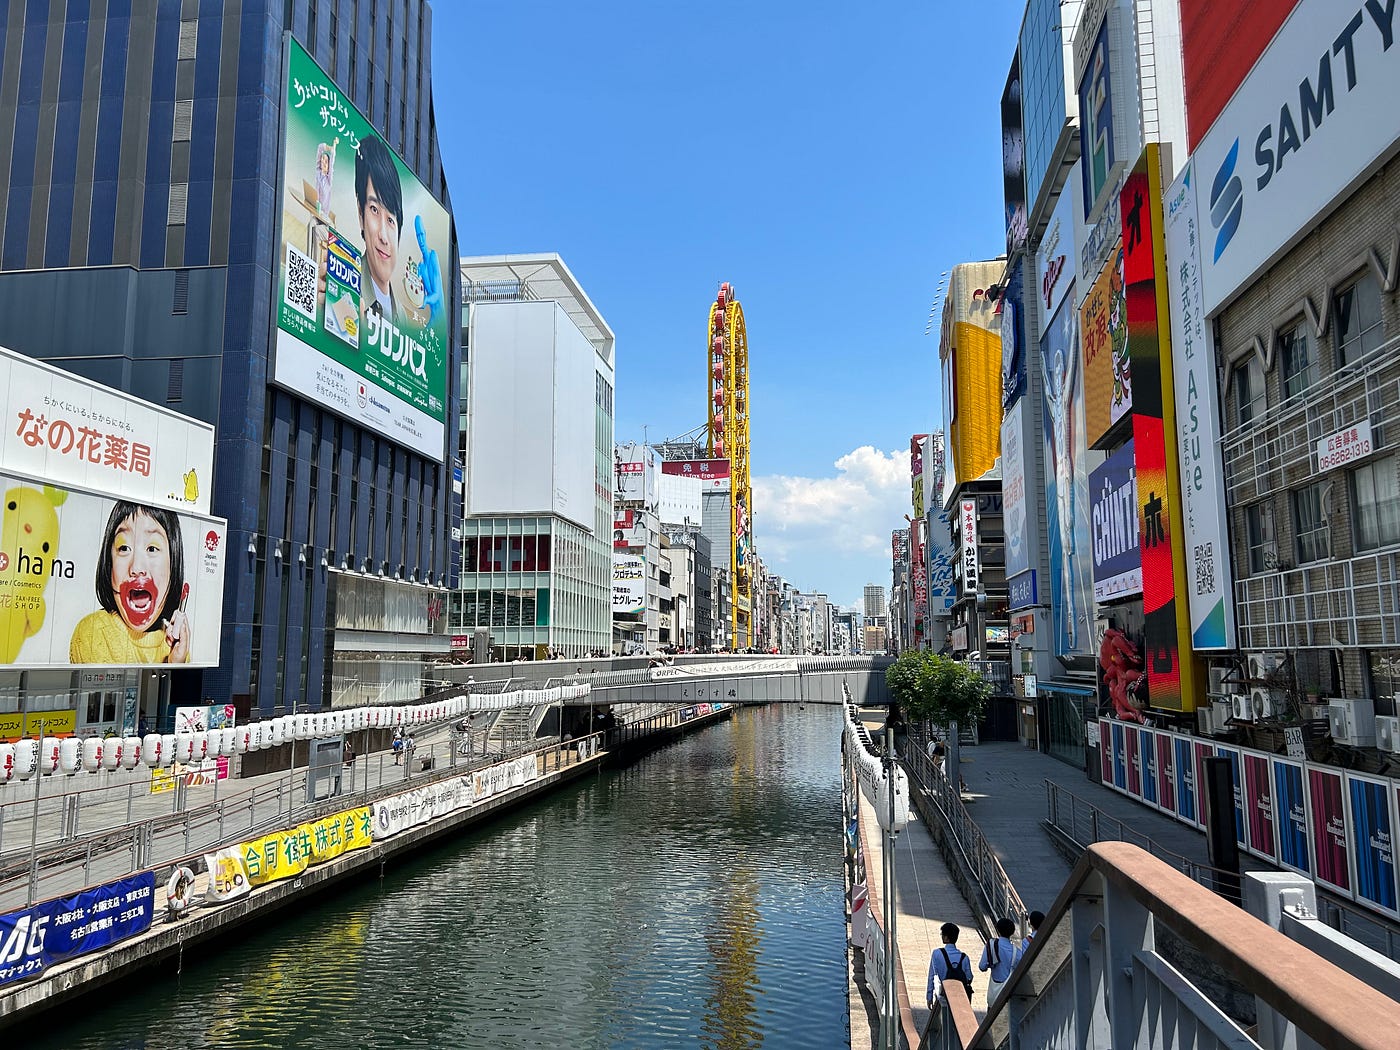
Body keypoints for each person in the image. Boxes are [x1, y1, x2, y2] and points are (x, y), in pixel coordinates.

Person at [70, 502, 191, 664]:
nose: (137, 567)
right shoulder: (93, 632)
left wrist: (176, 664)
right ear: (109, 563)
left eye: (152, 548)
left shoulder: (176, 648)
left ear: (173, 564)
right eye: (124, 548)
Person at [355, 136, 405, 326]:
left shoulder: (404, 319)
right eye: (374, 210)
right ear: (361, 214)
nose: (384, 236)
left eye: (391, 220)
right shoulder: (347, 288)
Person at [926, 922, 974, 1009]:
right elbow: (969, 977)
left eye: (942, 934)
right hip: (960, 998)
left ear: (946, 938)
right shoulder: (964, 957)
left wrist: (929, 997)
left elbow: (931, 976)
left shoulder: (937, 953)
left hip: (943, 997)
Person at [980, 917, 1019, 1006]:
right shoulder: (1017, 952)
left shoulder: (991, 944)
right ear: (1012, 932)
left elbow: (982, 967)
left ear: (997, 929)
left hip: (993, 992)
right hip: (1008, 993)